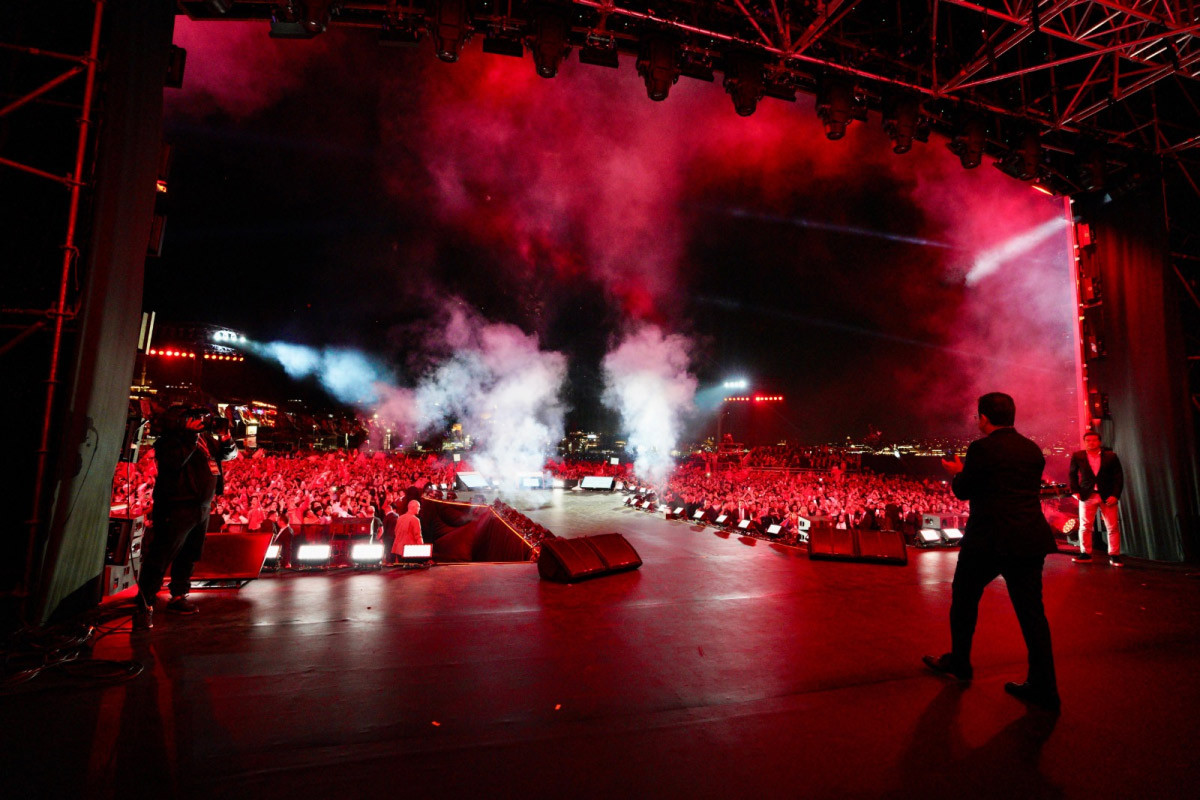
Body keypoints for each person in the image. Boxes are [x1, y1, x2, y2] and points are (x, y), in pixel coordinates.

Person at [923, 392, 1061, 712]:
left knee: (964, 600)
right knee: (1032, 616)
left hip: (988, 541)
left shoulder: (981, 449)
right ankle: (1045, 686)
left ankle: (960, 662)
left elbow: (963, 490)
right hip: (1028, 539)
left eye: (978, 417)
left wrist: (957, 470)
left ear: (984, 418)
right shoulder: (1032, 450)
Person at [133, 405, 237, 631]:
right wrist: (188, 435)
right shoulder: (169, 440)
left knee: (190, 554)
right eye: (196, 419)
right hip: (177, 505)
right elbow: (174, 463)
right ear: (184, 420)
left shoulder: (207, 440)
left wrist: (226, 437)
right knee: (162, 553)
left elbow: (230, 454)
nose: (202, 422)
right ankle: (145, 601)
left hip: (201, 506)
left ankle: (179, 595)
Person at [1069, 430, 1124, 566]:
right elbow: (1072, 474)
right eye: (1088, 440)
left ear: (1099, 442)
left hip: (1107, 496)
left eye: (1094, 440)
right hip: (1087, 495)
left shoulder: (1111, 456)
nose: (1091, 443)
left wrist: (1115, 495)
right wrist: (1075, 491)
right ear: (1084, 442)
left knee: (1112, 527)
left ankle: (1114, 555)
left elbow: (1118, 477)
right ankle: (1085, 554)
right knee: (1085, 526)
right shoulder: (1078, 456)